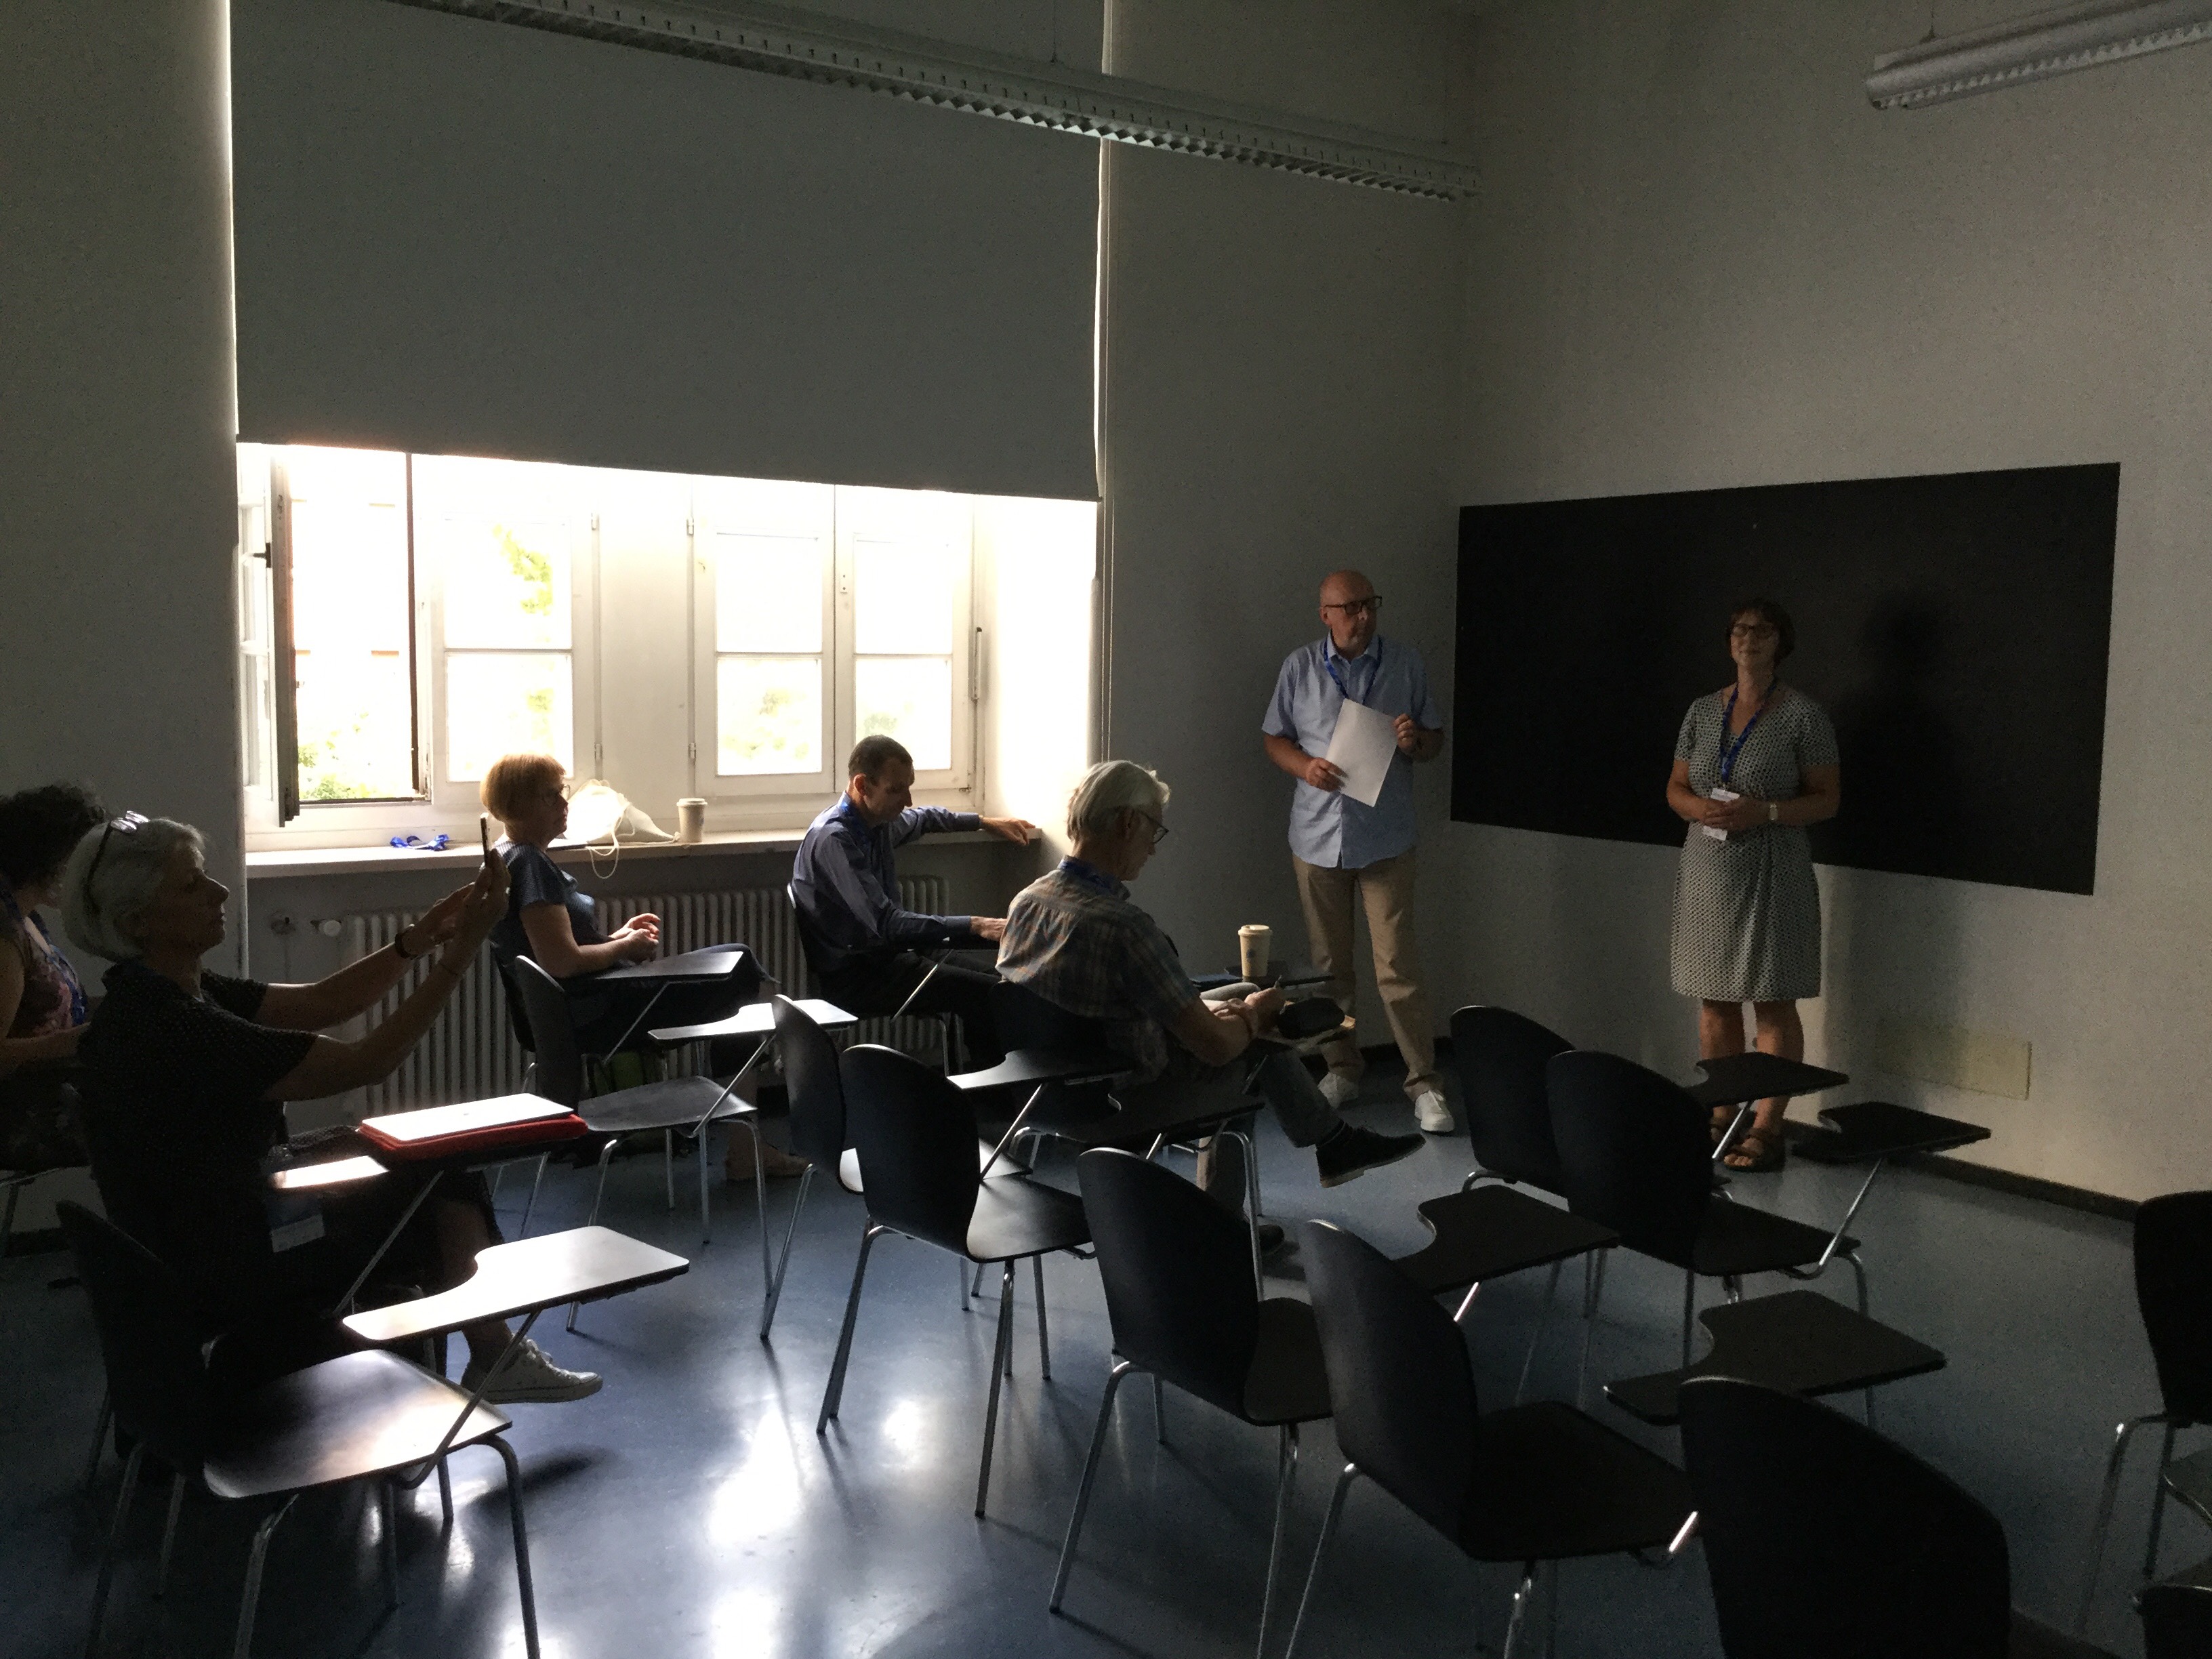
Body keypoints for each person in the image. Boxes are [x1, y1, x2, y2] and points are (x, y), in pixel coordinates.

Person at [65, 811, 600, 1404]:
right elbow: (367, 1061)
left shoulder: (167, 991)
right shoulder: (177, 1026)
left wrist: (421, 937)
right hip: (233, 1255)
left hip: (215, 1220)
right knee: (440, 1182)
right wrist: (462, 950)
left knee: (425, 1160)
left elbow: (324, 1002)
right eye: (192, 886)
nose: (218, 892)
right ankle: (490, 1357)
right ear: (137, 921)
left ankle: (483, 1355)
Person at [997, 760, 1424, 1208]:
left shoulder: (1027, 901)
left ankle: (1332, 1141)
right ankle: (1223, 1222)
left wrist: (1234, 1009)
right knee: (1252, 1051)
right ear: (1128, 824)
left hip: (1042, 1093)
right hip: (1125, 1100)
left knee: (1241, 994)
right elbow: (1217, 1048)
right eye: (1154, 832)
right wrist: (1252, 1017)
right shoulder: (1127, 929)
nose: (1152, 850)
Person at [480, 752, 800, 1181]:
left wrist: (616, 940)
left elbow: (557, 951)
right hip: (597, 1012)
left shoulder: (507, 857)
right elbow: (562, 963)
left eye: (562, 792)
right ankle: (753, 1138)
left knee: (739, 973)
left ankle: (752, 1134)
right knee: (741, 974)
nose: (563, 803)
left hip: (581, 1008)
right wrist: (624, 947)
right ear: (520, 805)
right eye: (551, 796)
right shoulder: (530, 865)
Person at [1261, 569, 1452, 1133]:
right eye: (1351, 607)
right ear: (1326, 614)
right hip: (1317, 836)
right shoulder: (1300, 667)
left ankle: (1423, 1081)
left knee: (1397, 966)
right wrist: (1305, 767)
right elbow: (1274, 738)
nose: (1364, 616)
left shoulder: (1404, 663)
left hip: (1385, 836)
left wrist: (1415, 742)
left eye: (1370, 604)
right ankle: (1342, 1066)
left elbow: (1434, 741)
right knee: (1329, 969)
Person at [1664, 596, 1842, 1173]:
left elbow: (1827, 800)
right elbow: (1675, 788)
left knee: (1772, 1001)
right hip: (1708, 873)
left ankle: (1768, 1128)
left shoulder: (1804, 717)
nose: (1748, 638)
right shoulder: (1701, 711)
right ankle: (1721, 1115)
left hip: (1773, 871)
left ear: (1781, 643)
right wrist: (1699, 808)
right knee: (1714, 1001)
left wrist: (1763, 812)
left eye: (1762, 630)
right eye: (1740, 629)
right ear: (1728, 640)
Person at [791, 735, 1038, 1070]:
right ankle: (994, 1089)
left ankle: (994, 1082)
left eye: (909, 787)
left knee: (1003, 982)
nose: (907, 801)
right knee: (988, 993)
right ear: (862, 785)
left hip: (889, 957)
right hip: (858, 976)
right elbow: (887, 924)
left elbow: (925, 818)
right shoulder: (836, 840)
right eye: (896, 790)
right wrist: (976, 925)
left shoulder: (875, 823)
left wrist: (984, 822)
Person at [0, 783, 106, 1173]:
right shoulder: (5, 937)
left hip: (55, 1088)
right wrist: (73, 1042)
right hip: (24, 1114)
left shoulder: (25, 917)